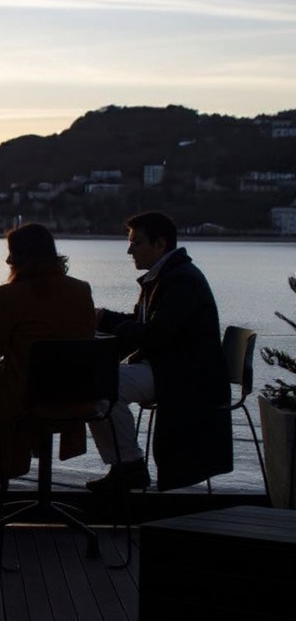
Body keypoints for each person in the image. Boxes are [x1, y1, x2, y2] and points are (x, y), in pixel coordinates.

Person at [86, 211, 232, 492]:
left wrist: (103, 320)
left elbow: (155, 334)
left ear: (160, 244)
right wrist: (104, 322)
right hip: (174, 366)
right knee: (98, 382)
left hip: (181, 373)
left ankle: (129, 467)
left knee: (100, 389)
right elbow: (145, 328)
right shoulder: (169, 275)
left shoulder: (180, 281)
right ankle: (126, 465)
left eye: (136, 242)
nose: (129, 250)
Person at [0, 223, 95, 485]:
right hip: (75, 394)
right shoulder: (81, 290)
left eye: (11, 253)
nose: (7, 260)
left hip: (24, 396)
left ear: (23, 257)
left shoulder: (11, 295)